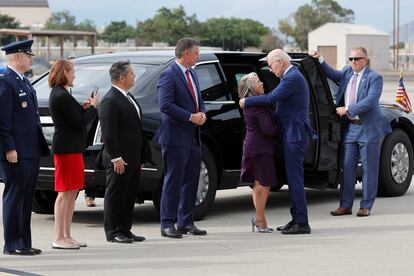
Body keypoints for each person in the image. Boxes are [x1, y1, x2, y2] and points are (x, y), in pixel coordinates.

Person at [239, 49, 316, 235]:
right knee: (292, 179)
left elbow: (272, 98)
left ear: (280, 62)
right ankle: (296, 219)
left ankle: (302, 222)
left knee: (295, 180)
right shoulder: (290, 77)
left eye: (272, 65)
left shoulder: (292, 78)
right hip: (290, 135)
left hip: (294, 136)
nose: (271, 70)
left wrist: (246, 102)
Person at [309, 47, 391, 217]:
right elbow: (332, 74)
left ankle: (366, 206)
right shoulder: (347, 72)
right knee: (347, 167)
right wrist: (320, 59)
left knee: (369, 169)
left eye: (357, 59)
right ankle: (345, 206)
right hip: (351, 129)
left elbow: (370, 101)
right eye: (351, 58)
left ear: (365, 60)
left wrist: (347, 109)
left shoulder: (375, 78)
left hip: (368, 128)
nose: (353, 61)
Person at [0, 40, 49, 255]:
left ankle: (24, 242)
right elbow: (3, 120)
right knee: (15, 195)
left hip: (30, 149)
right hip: (16, 152)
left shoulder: (24, 81)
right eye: (28, 55)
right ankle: (13, 244)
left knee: (26, 196)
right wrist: (9, 148)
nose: (31, 58)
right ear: (17, 56)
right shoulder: (6, 82)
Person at [155, 37, 207, 239]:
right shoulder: (168, 75)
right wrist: (190, 116)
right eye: (196, 53)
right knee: (173, 180)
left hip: (193, 136)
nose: (198, 56)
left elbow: (198, 99)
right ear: (186, 53)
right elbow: (165, 106)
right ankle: (167, 223)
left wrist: (201, 113)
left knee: (192, 180)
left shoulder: (192, 73)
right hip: (175, 137)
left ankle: (186, 221)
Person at [98, 61, 151, 243]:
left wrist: (142, 156)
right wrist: (116, 157)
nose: (134, 77)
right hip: (119, 158)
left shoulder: (128, 97)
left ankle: (125, 229)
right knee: (116, 194)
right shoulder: (110, 100)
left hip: (133, 157)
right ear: (122, 77)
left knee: (129, 194)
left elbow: (136, 129)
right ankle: (113, 231)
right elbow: (108, 134)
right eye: (132, 74)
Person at [48, 59, 98, 249]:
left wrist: (84, 107)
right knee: (65, 192)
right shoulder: (60, 95)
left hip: (72, 148)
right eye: (72, 72)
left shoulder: (63, 94)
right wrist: (93, 108)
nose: (74, 75)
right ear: (64, 73)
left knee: (72, 191)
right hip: (66, 149)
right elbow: (79, 123)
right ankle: (58, 237)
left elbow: (74, 116)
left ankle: (67, 235)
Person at [238, 72, 278, 233]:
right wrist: (284, 127)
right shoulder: (257, 106)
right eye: (258, 82)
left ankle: (259, 220)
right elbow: (268, 130)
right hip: (260, 149)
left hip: (254, 147)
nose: (262, 84)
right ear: (251, 89)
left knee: (258, 184)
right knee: (264, 184)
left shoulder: (251, 104)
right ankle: (260, 220)